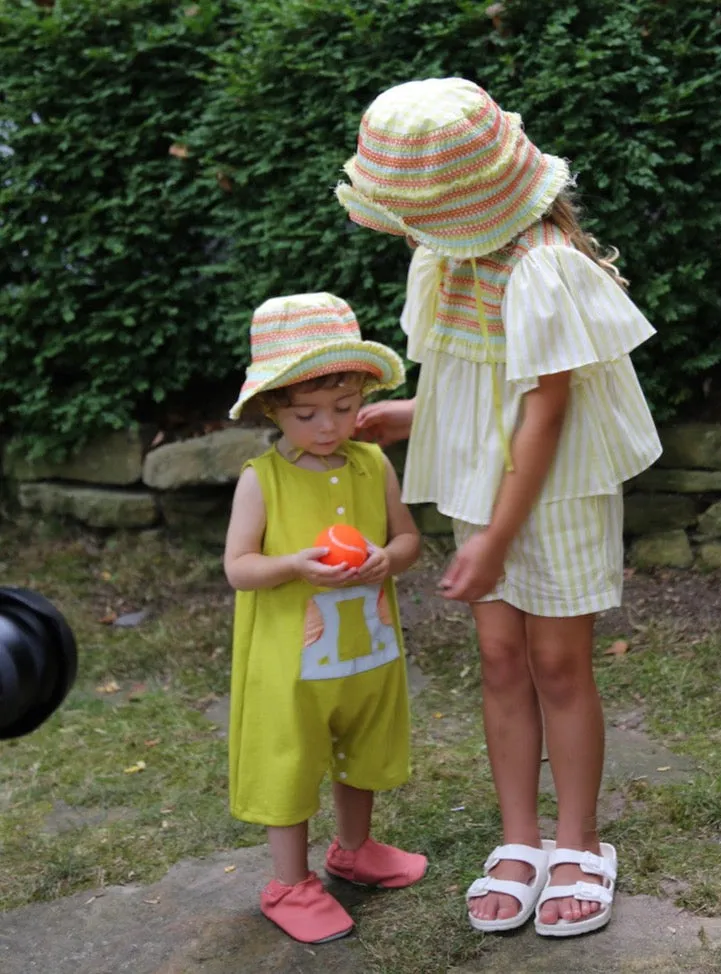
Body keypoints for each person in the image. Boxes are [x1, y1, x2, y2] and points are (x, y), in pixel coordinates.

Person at [337, 78, 663, 938]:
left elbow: (545, 414)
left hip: (551, 489)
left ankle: (579, 840)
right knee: (498, 658)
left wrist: (497, 538)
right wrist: (419, 414)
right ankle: (520, 839)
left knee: (558, 664)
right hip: (485, 479)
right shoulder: (444, 259)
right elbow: (466, 371)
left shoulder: (547, 267)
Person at [223, 292, 427, 945]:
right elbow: (239, 568)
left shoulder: (373, 463)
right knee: (292, 754)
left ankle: (354, 848)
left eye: (344, 409)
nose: (327, 426)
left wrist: (384, 561)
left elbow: (409, 542)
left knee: (362, 744)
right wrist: (295, 566)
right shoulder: (263, 480)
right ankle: (289, 882)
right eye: (306, 413)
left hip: (364, 652)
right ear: (272, 407)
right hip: (291, 666)